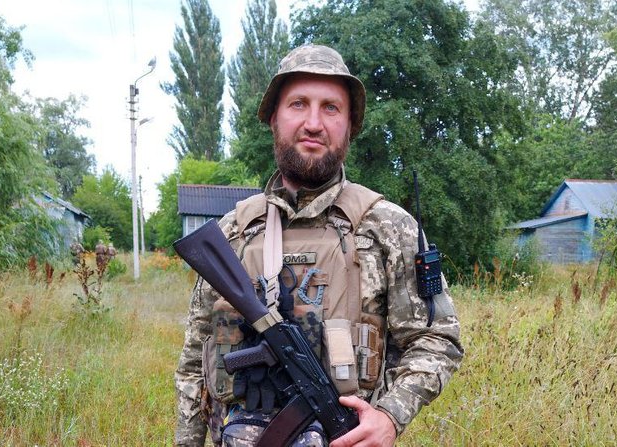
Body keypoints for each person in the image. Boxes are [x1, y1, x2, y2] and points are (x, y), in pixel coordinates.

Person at [175, 44, 463, 447]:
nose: (313, 123)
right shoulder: (232, 234)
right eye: (298, 104)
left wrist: (389, 418)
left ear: (350, 125)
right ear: (273, 117)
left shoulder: (388, 228)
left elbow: (438, 341)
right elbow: (194, 363)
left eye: (331, 108)